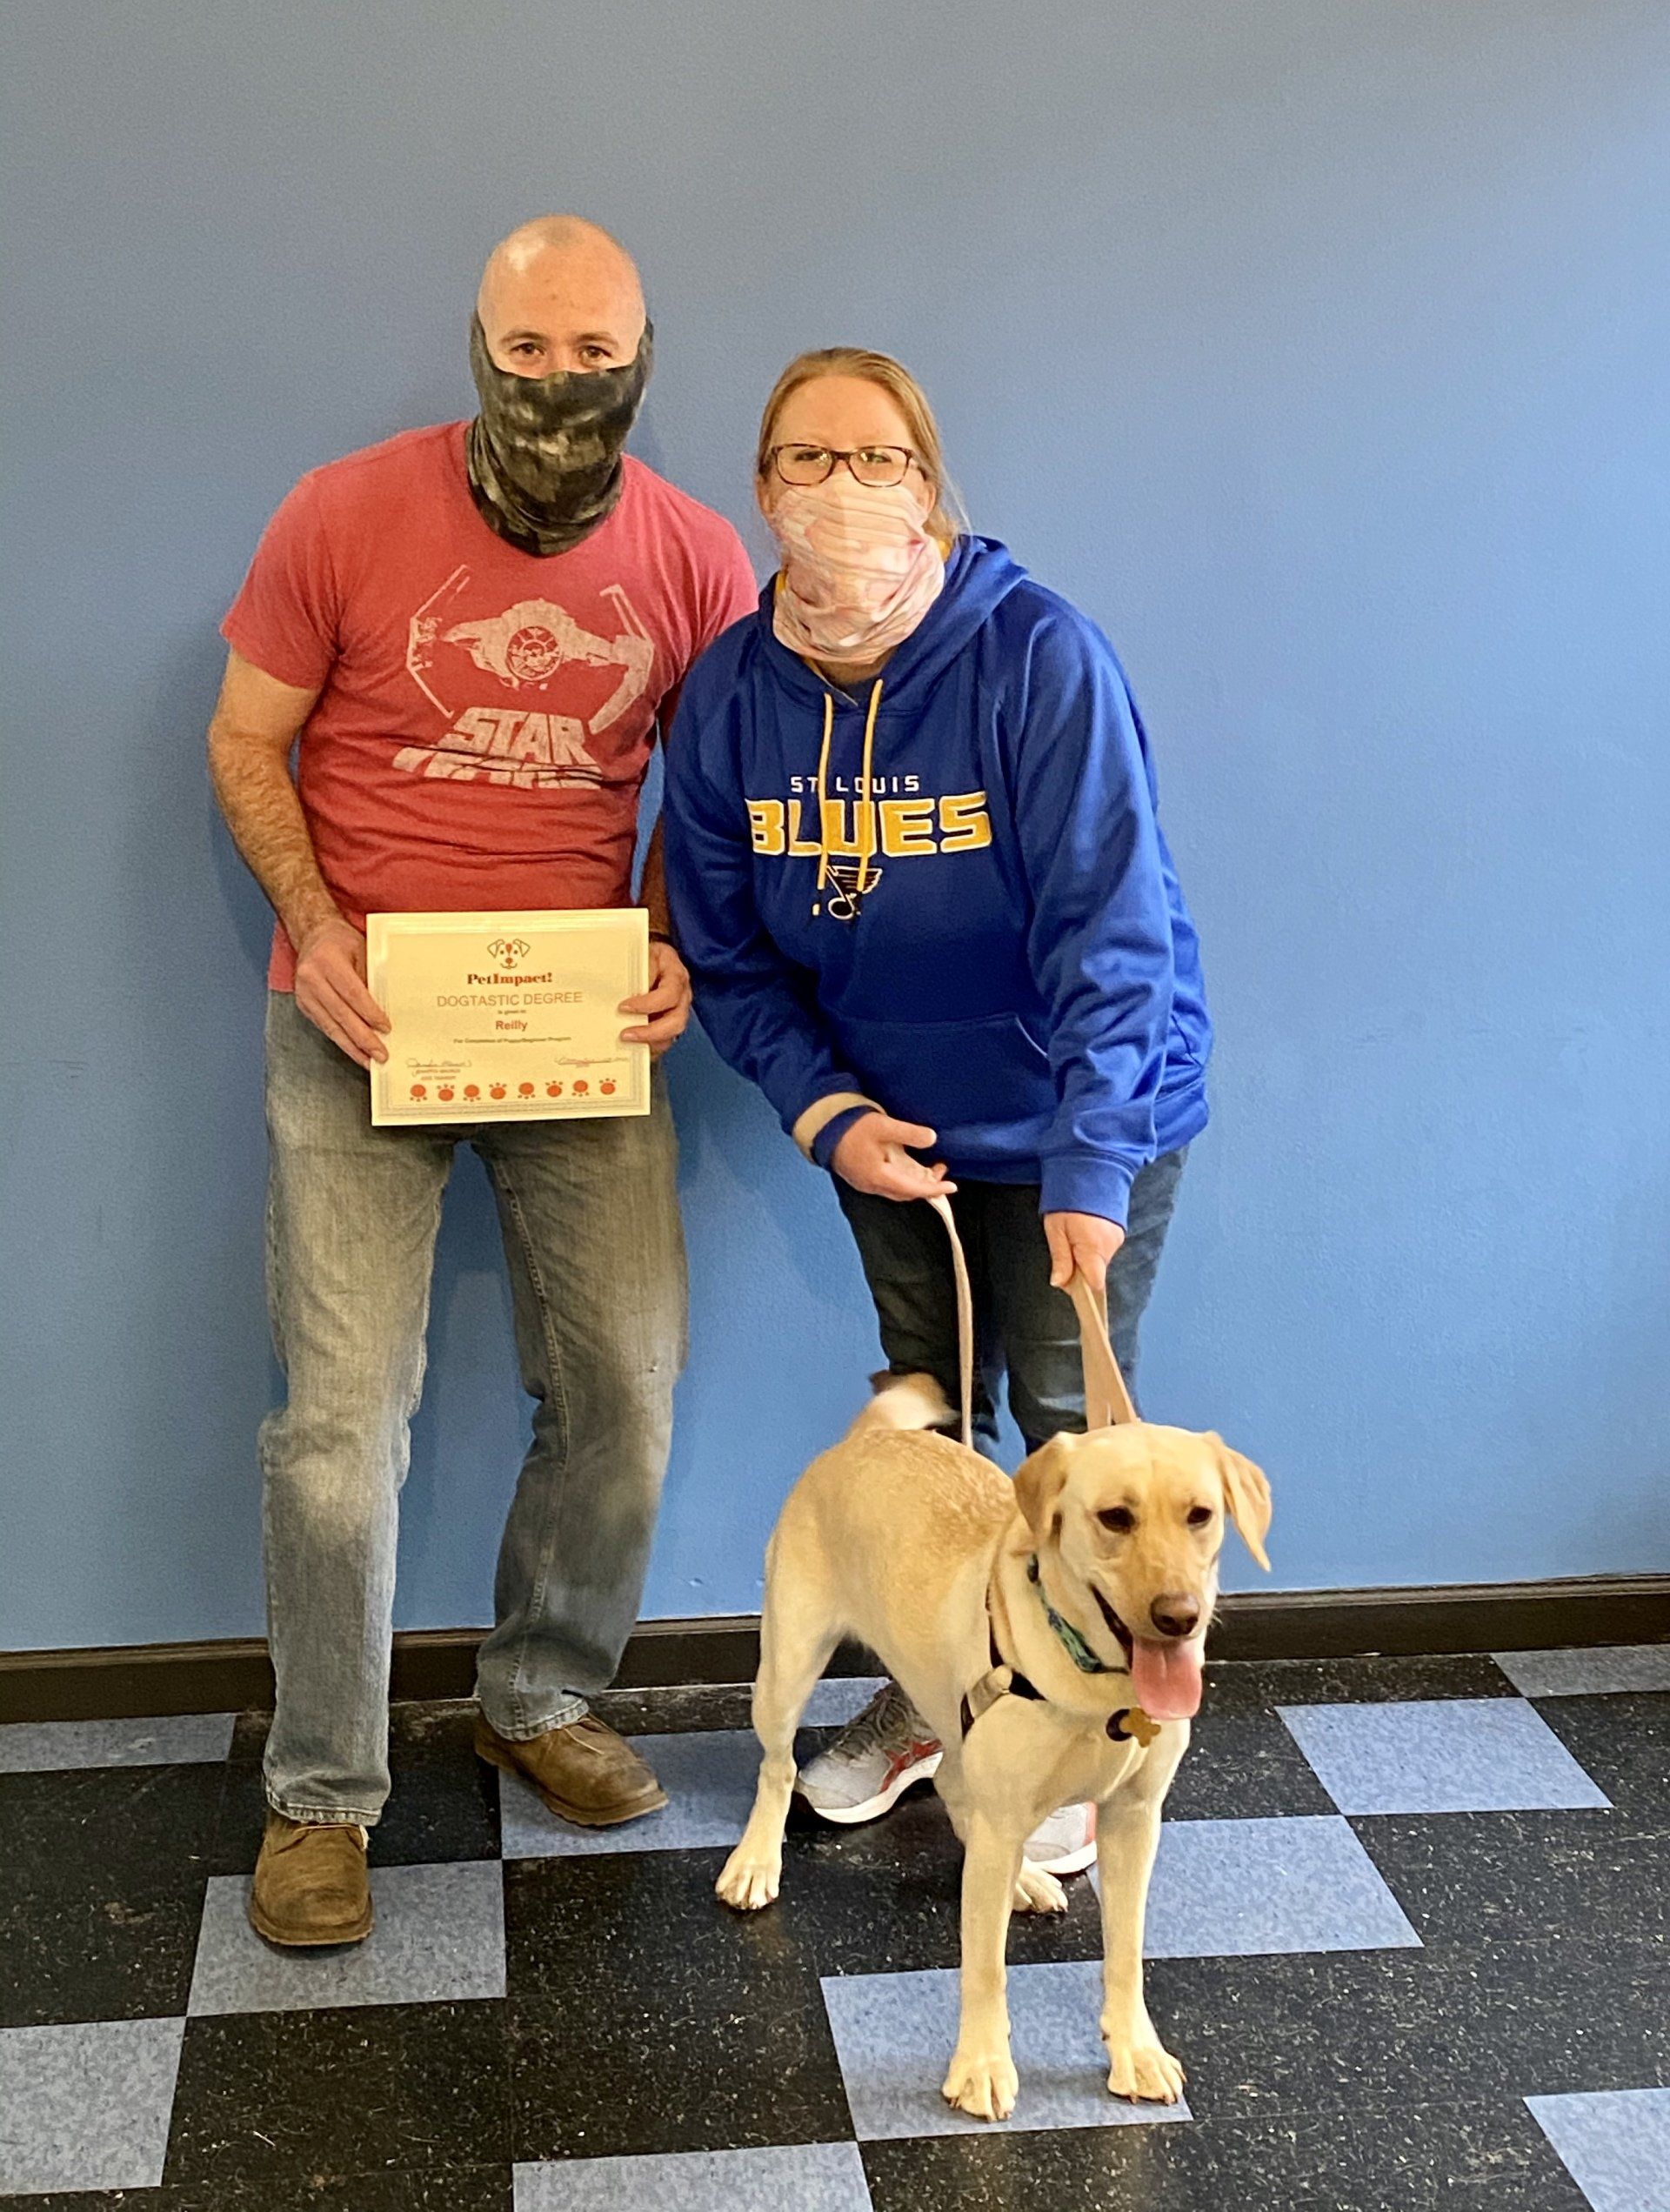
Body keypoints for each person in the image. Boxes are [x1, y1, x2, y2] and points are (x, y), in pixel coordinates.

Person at [208, 217, 756, 1946]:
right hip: (361, 1013)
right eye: (531, 350)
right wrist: (319, 923)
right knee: (337, 1431)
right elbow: (246, 734)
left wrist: (672, 938)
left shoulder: (692, 556)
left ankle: (537, 1691)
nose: (564, 377)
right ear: (479, 342)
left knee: (628, 1387)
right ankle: (320, 1795)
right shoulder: (341, 512)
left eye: (595, 349)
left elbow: (720, 784)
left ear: (643, 350)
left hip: (575, 1026)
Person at [663, 347, 1211, 1879]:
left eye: (879, 460)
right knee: (927, 1422)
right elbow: (726, 949)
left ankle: (1099, 1726)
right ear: (762, 493)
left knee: (1067, 1425)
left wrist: (1090, 1159)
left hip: (1082, 1110)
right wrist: (822, 1110)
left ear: (932, 483)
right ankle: (943, 1702)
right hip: (891, 1127)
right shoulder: (728, 698)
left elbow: (1120, 932)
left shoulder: (1038, 657)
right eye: (807, 463)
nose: (844, 492)